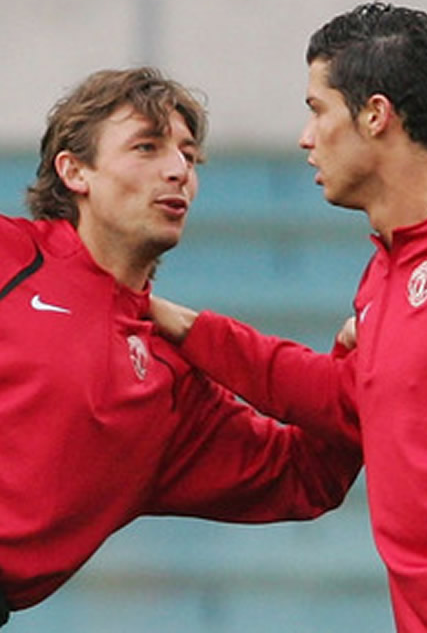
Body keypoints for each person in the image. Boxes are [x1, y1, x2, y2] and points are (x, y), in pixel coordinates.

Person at [151, 2, 427, 633]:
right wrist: (186, 327)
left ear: (375, 115)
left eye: (317, 109)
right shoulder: (385, 269)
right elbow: (350, 402)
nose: (306, 137)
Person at [0, 67, 363, 626]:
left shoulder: (169, 384)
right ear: (74, 171)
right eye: (146, 147)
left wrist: (359, 364)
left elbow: (306, 473)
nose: (177, 171)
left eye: (189, 157)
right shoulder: (13, 259)